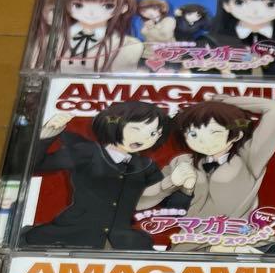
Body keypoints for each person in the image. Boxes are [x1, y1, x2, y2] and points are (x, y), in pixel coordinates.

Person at [146, 92, 275, 254]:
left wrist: (227, 101)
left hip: (244, 238)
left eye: (214, 132)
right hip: (193, 243)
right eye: (193, 134)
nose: (202, 141)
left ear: (236, 135)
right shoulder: (182, 161)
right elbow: (141, 201)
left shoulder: (250, 157)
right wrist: (169, 184)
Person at [21, 101, 174, 251]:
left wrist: (176, 184)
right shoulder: (86, 152)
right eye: (136, 128)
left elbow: (171, 203)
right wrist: (45, 137)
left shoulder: (146, 165)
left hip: (122, 241)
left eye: (154, 133)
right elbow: (33, 165)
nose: (145, 138)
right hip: (74, 233)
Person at [200, 0, 275, 77]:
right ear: (226, 5)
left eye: (271, 4)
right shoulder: (212, 40)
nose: (254, 12)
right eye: (240, 2)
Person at [50, 0, 144, 73]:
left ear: (123, 8)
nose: (91, 13)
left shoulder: (129, 45)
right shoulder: (52, 38)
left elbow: (120, 78)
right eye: (78, 5)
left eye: (107, 6)